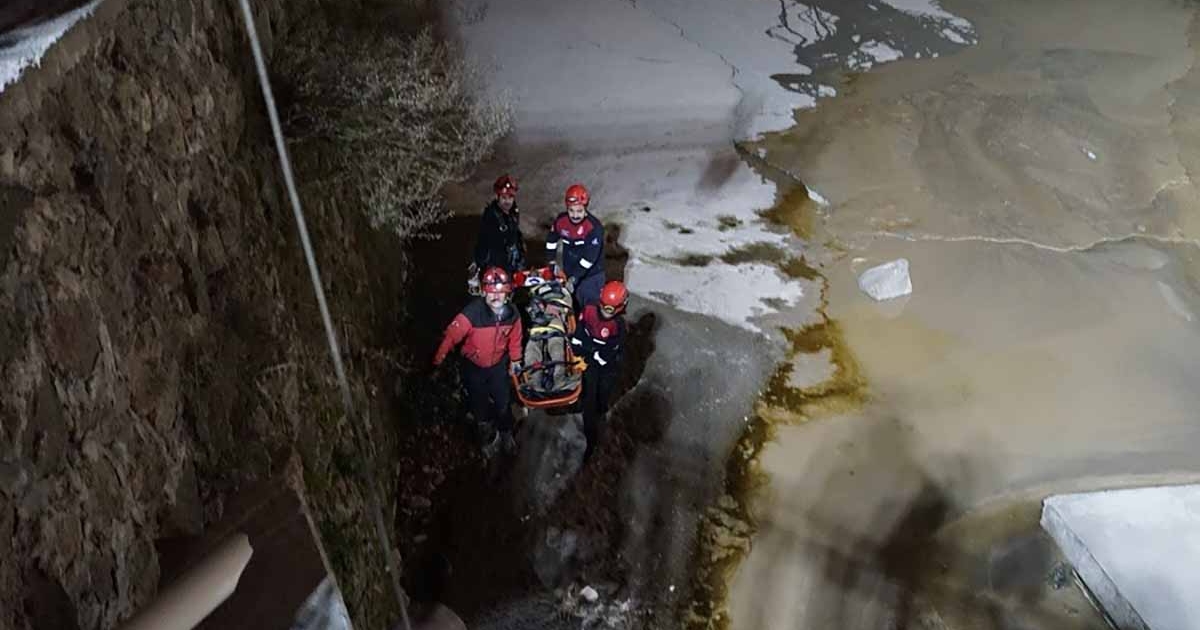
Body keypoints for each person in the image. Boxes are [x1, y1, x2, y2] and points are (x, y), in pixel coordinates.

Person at [433, 267, 524, 456]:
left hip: (498, 364)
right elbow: (452, 335)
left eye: (500, 293)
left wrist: (516, 359)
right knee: (478, 401)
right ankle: (486, 436)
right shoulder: (473, 313)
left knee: (503, 400)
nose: (495, 297)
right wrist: (439, 357)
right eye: (491, 293)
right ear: (484, 293)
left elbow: (515, 338)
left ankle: (506, 433)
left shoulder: (513, 315)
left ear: (508, 294)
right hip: (474, 366)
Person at [572, 280, 628, 461]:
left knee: (603, 395)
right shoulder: (588, 311)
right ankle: (591, 439)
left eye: (609, 310)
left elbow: (612, 350)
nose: (605, 312)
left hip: (606, 365)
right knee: (589, 400)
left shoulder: (617, 326)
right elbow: (579, 335)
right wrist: (583, 350)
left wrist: (595, 354)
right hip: (590, 363)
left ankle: (601, 408)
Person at [545, 183, 604, 309]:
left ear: (585, 208)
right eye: (571, 210)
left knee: (589, 309)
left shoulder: (593, 228)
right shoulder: (561, 221)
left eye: (579, 211)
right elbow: (551, 241)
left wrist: (574, 278)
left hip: (591, 276)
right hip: (569, 271)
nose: (575, 215)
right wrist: (551, 263)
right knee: (571, 307)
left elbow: (589, 259)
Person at [473, 174, 525, 275]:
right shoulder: (490, 216)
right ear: (497, 197)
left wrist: (519, 262)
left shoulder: (514, 213)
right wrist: (480, 267)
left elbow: (515, 238)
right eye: (504, 197)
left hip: (512, 267)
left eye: (510, 197)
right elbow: (482, 244)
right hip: (494, 271)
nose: (507, 201)